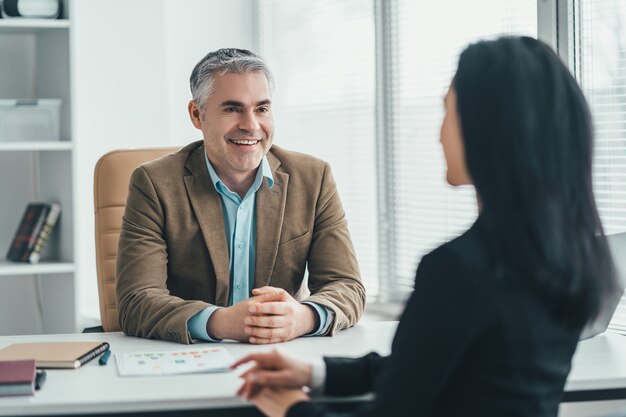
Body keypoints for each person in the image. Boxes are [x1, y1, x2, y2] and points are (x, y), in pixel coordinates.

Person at [231, 36, 622, 417]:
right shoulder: (563, 257)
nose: (438, 134)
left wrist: (291, 408)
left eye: (448, 111)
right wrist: (317, 373)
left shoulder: (458, 270)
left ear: (487, 129)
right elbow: (435, 365)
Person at [115, 48, 365, 345]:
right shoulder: (154, 184)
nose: (250, 125)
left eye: (261, 109)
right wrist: (221, 323)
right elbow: (136, 301)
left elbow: (347, 286)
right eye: (232, 109)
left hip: (281, 359)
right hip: (190, 360)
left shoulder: (313, 178)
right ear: (197, 114)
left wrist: (303, 317)